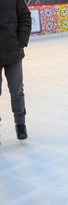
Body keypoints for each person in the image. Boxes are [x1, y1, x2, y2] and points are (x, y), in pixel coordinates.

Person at [0, 0, 31, 141]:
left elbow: (25, 16)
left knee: (17, 90)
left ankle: (20, 124)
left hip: (13, 51)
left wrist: (21, 41)